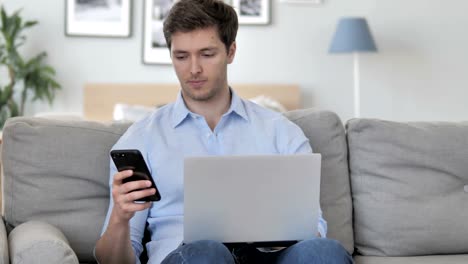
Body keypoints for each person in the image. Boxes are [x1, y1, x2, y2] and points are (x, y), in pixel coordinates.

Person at [95, 0, 353, 263]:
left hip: (270, 258)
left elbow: (313, 230)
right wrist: (120, 216)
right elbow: (113, 260)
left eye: (207, 54)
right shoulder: (141, 139)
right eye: (181, 56)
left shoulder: (282, 133)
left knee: (324, 251)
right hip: (194, 257)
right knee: (207, 251)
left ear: (231, 52)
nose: (194, 68)